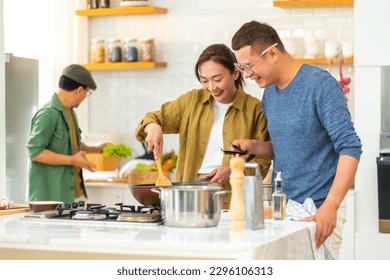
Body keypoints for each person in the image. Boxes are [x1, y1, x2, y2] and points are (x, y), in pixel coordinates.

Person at [231, 21, 362, 258]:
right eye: (242, 68)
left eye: (249, 66)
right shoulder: (269, 93)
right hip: (284, 209)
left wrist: (330, 208)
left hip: (318, 210)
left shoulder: (320, 85)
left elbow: (350, 147)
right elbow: (287, 147)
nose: (248, 75)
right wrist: (255, 147)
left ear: (272, 53)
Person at [135, 44, 271, 208]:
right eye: (204, 81)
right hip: (188, 196)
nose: (211, 87)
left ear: (235, 73)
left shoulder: (255, 109)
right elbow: (152, 119)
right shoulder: (192, 101)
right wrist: (153, 127)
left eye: (217, 79)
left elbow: (263, 162)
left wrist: (233, 170)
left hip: (233, 200)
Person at [27, 64, 107, 204]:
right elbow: (35, 153)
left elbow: (70, 143)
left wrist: (95, 149)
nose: (85, 97)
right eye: (87, 93)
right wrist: (72, 160)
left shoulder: (69, 112)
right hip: (48, 201)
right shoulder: (48, 114)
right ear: (79, 90)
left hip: (66, 197)